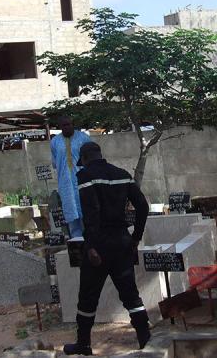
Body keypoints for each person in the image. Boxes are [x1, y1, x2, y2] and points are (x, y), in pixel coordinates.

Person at [63, 142, 151, 356]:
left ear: (84, 158)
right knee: (131, 295)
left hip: (99, 246)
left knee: (88, 297)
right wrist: (136, 237)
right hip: (122, 242)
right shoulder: (121, 174)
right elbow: (143, 206)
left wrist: (91, 246)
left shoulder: (86, 176)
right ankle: (146, 340)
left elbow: (91, 212)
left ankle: (84, 344)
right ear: (100, 155)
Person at [50, 115, 92, 238]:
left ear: (73, 124)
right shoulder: (55, 142)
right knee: (71, 212)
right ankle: (77, 242)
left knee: (87, 210)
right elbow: (55, 163)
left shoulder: (84, 138)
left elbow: (92, 158)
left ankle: (91, 241)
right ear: (60, 127)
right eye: (64, 125)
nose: (67, 127)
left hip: (83, 180)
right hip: (65, 183)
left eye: (69, 124)